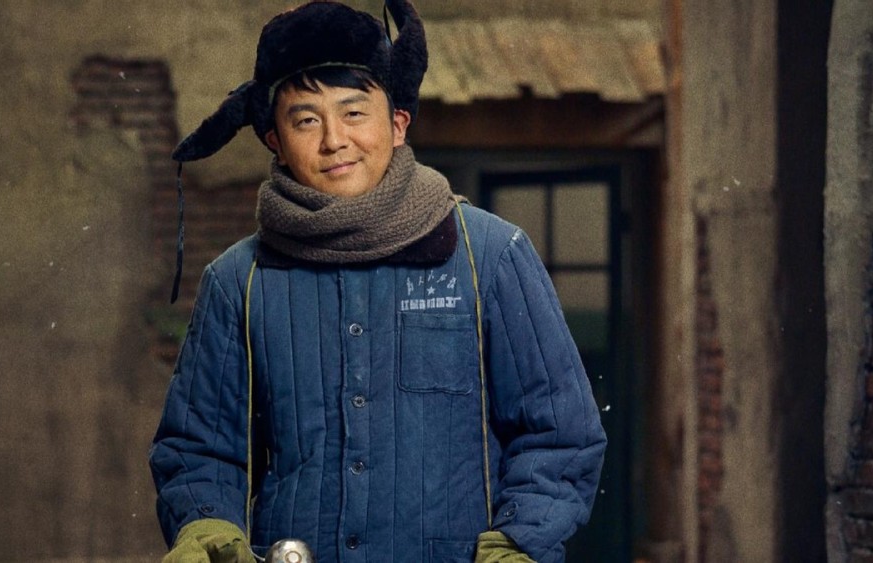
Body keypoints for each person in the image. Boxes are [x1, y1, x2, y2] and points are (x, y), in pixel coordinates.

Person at [149, 1, 607, 562]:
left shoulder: (489, 257)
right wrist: (206, 527)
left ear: (397, 124)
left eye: (354, 113)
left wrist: (520, 542)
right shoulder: (237, 282)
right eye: (306, 120)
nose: (334, 140)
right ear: (274, 139)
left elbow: (560, 434)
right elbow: (199, 449)